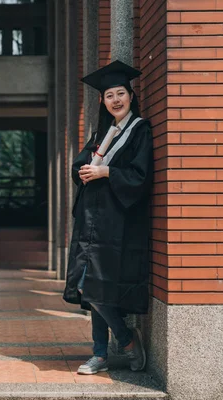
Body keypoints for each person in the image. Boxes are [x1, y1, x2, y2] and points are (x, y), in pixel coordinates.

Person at [63, 60, 153, 375]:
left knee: (95, 288)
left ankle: (124, 342)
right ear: (102, 101)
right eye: (109, 96)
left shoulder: (140, 129)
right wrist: (85, 171)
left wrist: (106, 171)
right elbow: (78, 166)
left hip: (118, 224)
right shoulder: (102, 133)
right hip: (91, 222)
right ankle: (101, 354)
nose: (115, 100)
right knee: (91, 286)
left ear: (131, 95)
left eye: (120, 93)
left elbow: (140, 176)